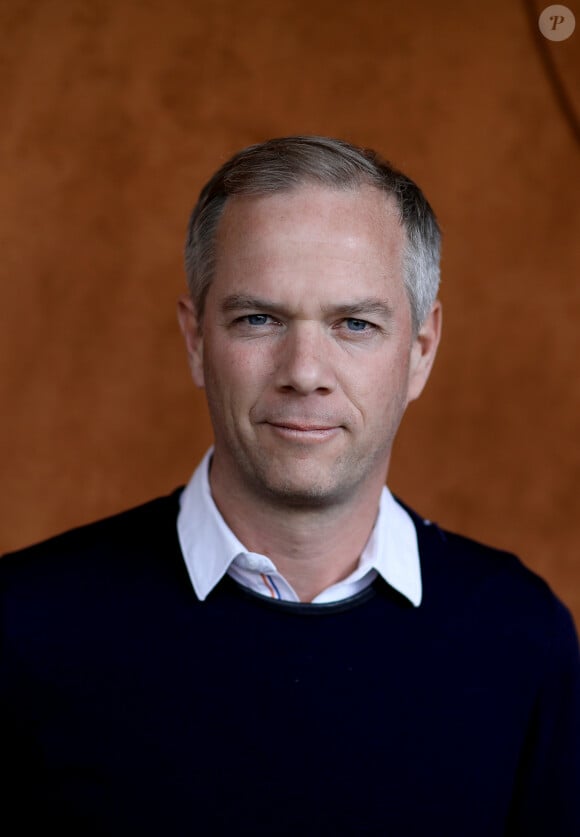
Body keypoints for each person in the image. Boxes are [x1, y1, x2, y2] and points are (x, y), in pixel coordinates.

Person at [1, 136, 579, 836]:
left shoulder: (520, 637)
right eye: (259, 319)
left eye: (355, 324)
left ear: (421, 351)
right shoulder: (24, 627)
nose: (304, 370)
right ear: (194, 339)